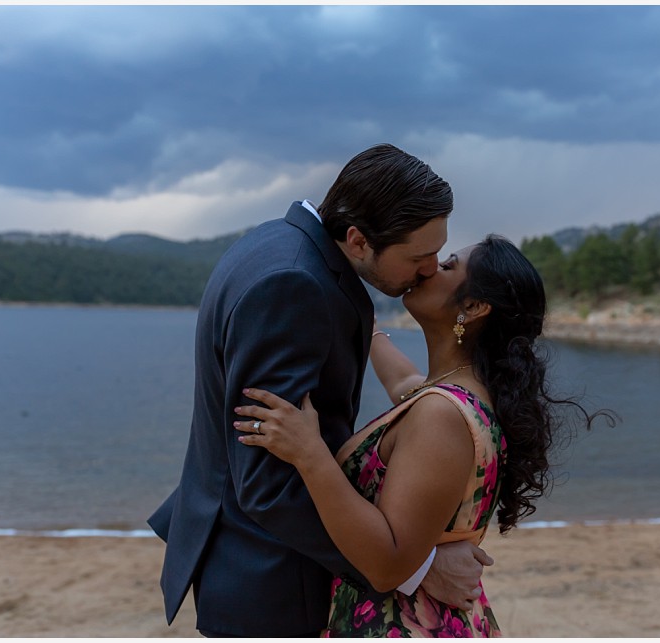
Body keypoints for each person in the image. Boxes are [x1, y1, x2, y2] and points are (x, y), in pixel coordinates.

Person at [147, 144, 493, 638]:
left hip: (258, 565)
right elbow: (268, 481)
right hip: (272, 579)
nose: (429, 268)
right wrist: (411, 568)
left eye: (440, 253)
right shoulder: (293, 285)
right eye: (419, 256)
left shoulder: (278, 245)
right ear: (357, 240)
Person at [236, 234, 612, 636]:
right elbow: (402, 379)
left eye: (448, 265)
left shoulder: (440, 415)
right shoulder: (458, 394)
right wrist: (362, 321)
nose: (431, 268)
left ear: (473, 307)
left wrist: (309, 454)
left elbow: (387, 565)